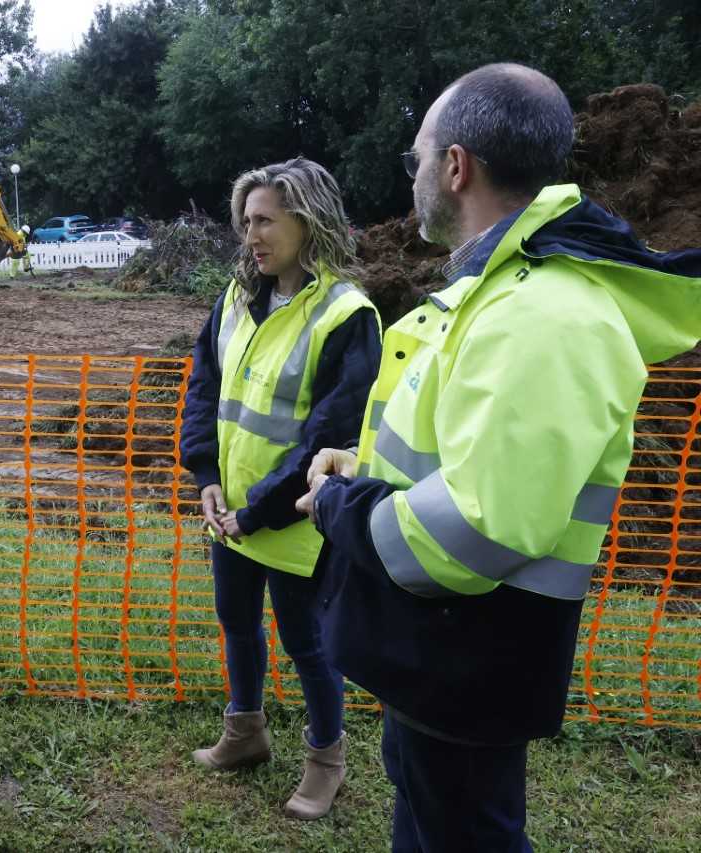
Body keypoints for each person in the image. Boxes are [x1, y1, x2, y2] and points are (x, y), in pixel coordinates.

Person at [298, 63, 701, 851]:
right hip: (439, 658)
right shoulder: (499, 293)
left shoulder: (544, 315)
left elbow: (474, 529)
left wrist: (342, 507)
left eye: (416, 156)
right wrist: (363, 468)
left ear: (456, 167)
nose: (412, 174)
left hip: (468, 665)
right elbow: (458, 459)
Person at [179, 158, 381, 819]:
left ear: (307, 221)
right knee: (236, 622)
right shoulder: (236, 297)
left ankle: (326, 761)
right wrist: (207, 477)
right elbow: (204, 388)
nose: (251, 236)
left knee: (308, 643)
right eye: (246, 221)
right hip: (233, 510)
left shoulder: (346, 315)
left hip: (297, 518)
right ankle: (246, 733)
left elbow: (330, 433)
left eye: (265, 221)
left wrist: (257, 511)